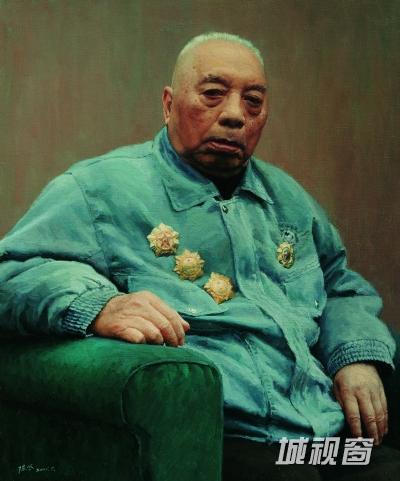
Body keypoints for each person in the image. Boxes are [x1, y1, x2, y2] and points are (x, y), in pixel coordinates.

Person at [0, 32, 398, 480]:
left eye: (253, 101)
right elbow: (12, 271)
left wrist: (355, 356)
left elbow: (339, 285)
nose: (234, 115)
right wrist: (100, 306)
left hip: (322, 437)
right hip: (226, 441)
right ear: (169, 104)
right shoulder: (99, 190)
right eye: (212, 94)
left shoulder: (288, 199)